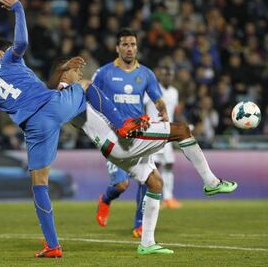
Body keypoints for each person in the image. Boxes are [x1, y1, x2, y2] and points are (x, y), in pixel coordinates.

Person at [0, 0, 146, 258]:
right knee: (85, 85)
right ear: (1, 53)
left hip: (34, 128)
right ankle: (122, 125)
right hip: (52, 106)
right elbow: (23, 42)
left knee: (39, 184)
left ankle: (53, 245)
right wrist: (18, 9)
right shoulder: (8, 59)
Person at [56, 64, 238, 255]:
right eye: (74, 71)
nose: (79, 74)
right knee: (182, 131)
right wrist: (118, 121)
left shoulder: (66, 103)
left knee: (155, 183)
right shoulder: (69, 94)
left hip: (112, 149)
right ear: (64, 74)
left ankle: (147, 243)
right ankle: (211, 182)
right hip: (122, 140)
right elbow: (86, 85)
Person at [93, 28, 168, 237]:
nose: (129, 48)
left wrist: (163, 112)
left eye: (133, 44)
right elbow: (90, 96)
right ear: (117, 48)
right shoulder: (103, 73)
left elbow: (157, 99)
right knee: (121, 184)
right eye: (125, 44)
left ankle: (139, 224)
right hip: (113, 136)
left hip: (139, 135)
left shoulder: (145, 74)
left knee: (148, 180)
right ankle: (106, 199)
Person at [145, 66, 182, 209]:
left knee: (169, 164)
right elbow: (142, 108)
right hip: (153, 133)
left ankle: (168, 197)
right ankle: (155, 198)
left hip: (167, 133)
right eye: (166, 74)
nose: (168, 77)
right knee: (154, 166)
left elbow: (174, 112)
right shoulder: (152, 90)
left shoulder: (174, 92)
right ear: (160, 75)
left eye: (171, 74)